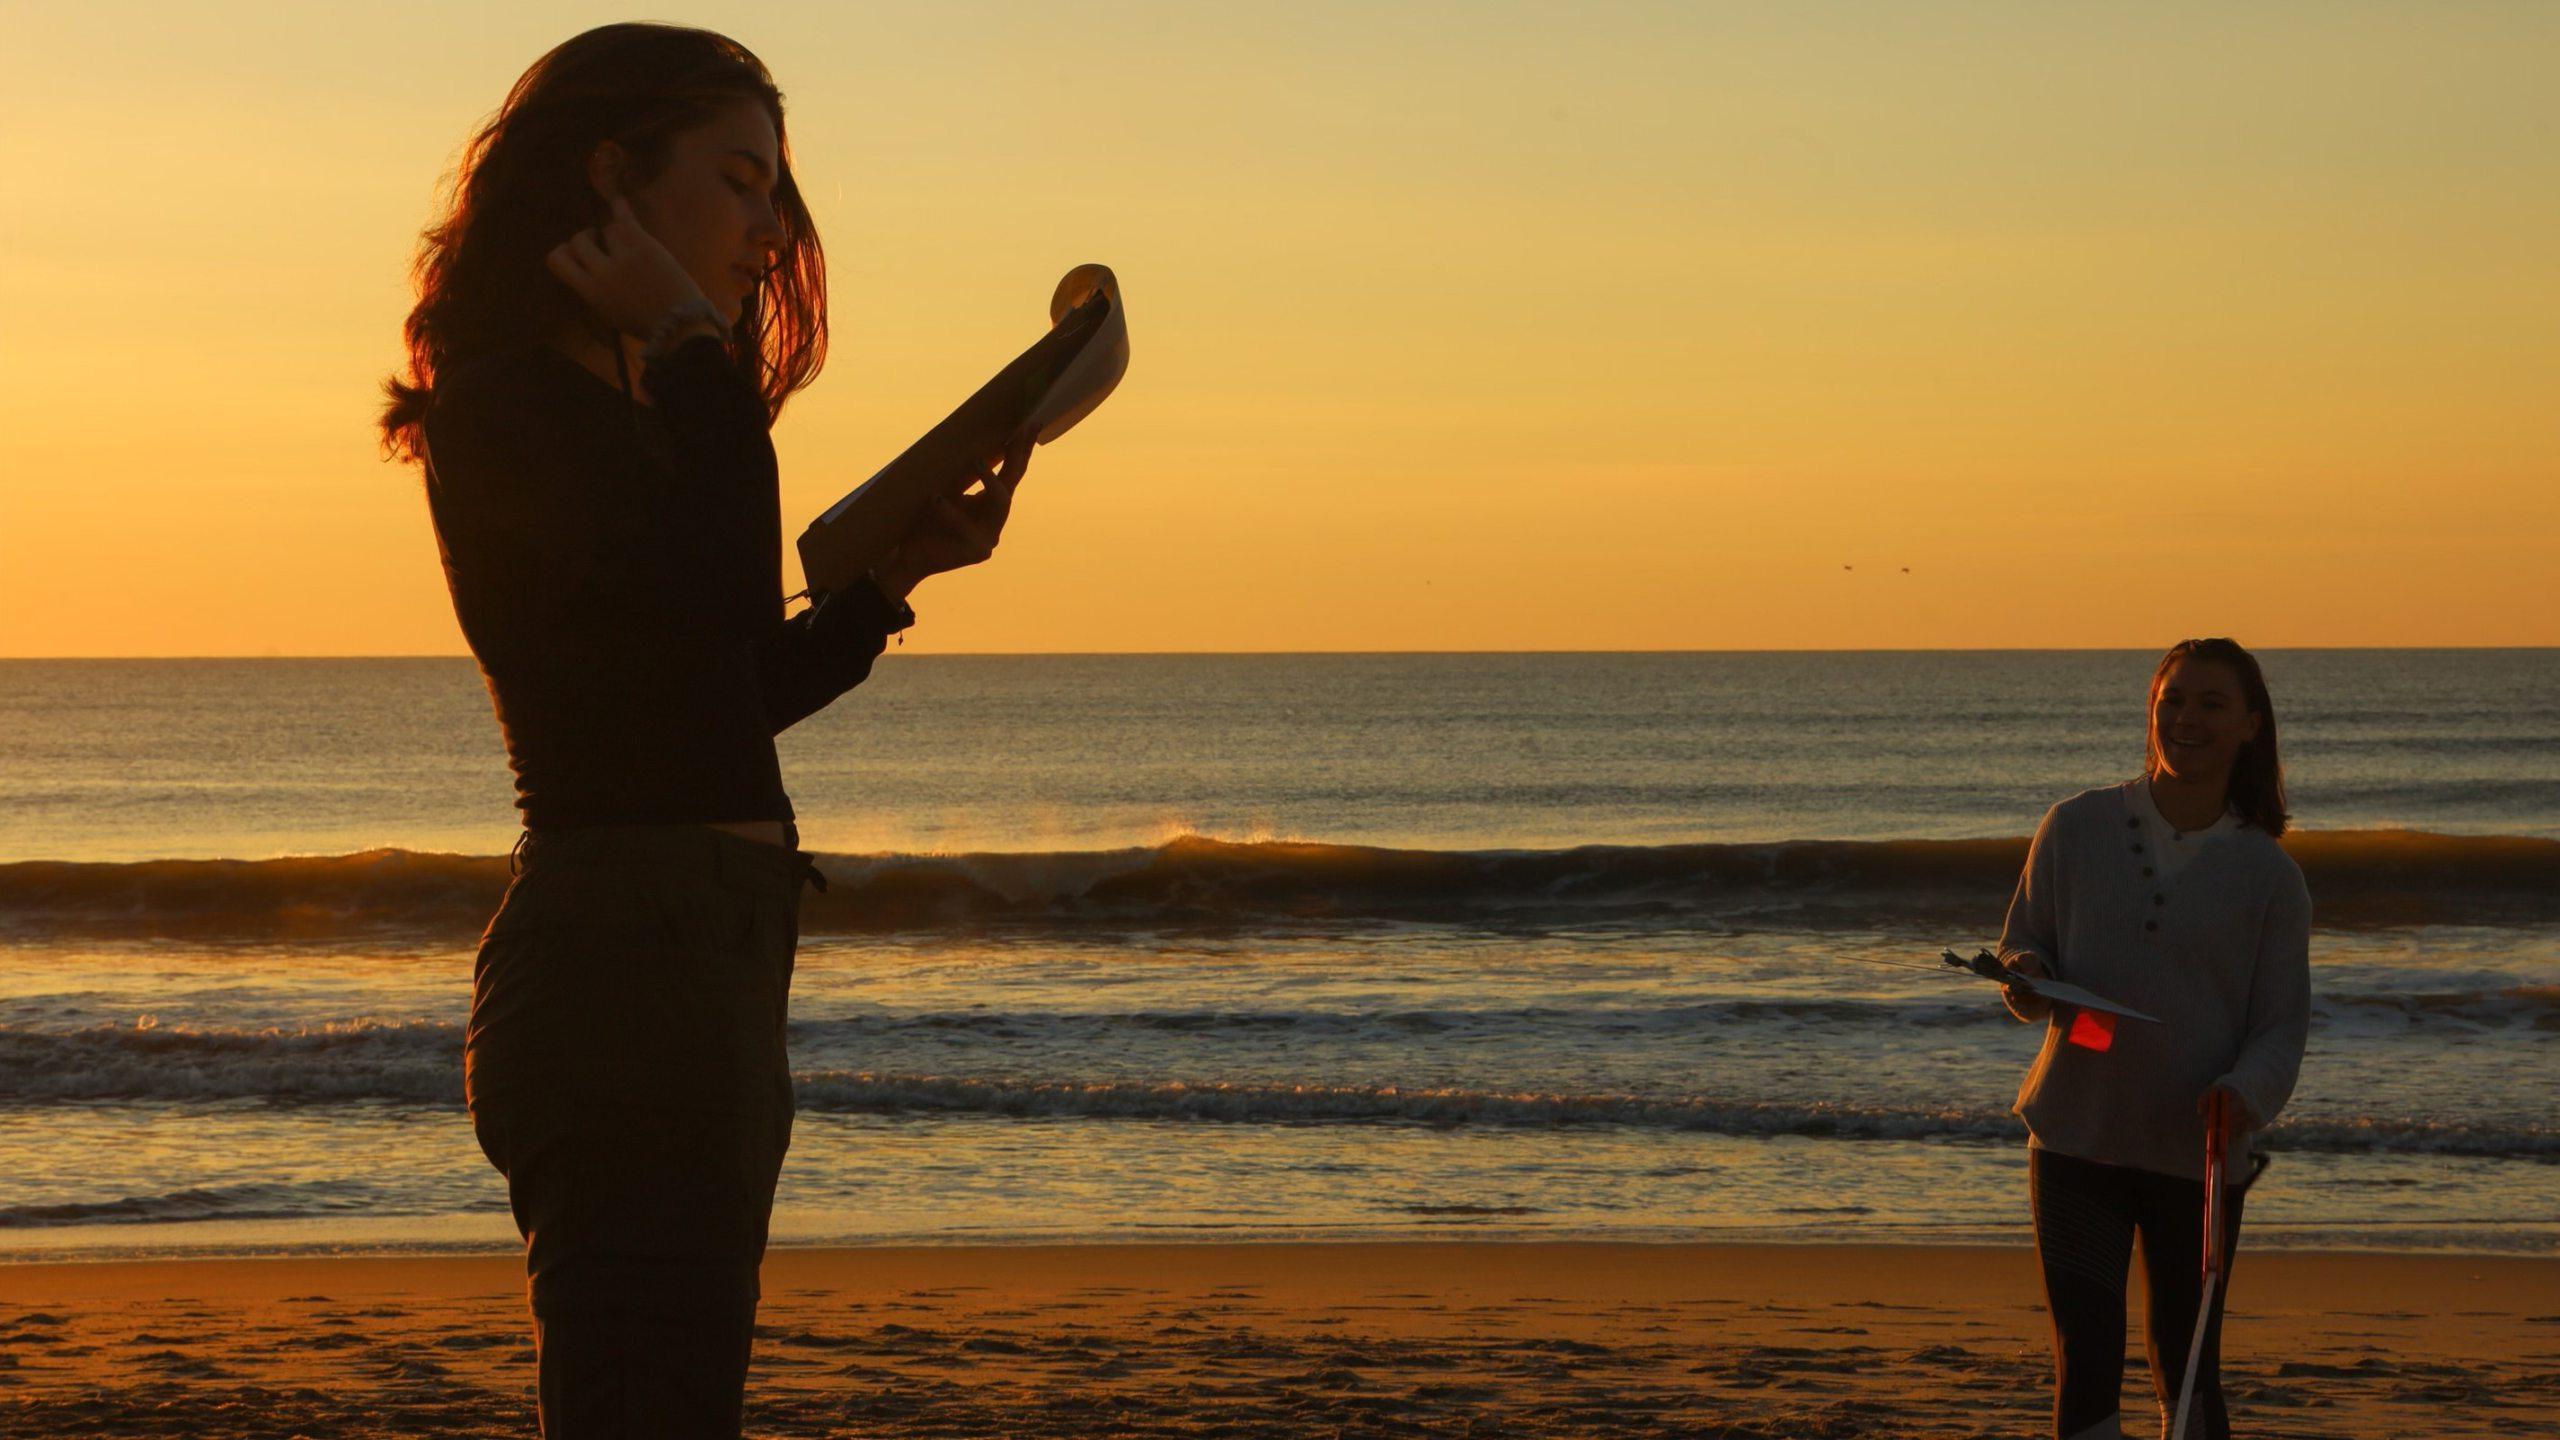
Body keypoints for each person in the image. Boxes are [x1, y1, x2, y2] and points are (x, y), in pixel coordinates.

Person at [378, 23, 1027, 1437]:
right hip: (625, 962)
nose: (765, 228)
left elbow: (716, 691)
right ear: (616, 174)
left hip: (696, 952)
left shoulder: (628, 409)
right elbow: (714, 611)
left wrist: (885, 585)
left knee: (674, 1396)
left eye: (774, 191)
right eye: (738, 181)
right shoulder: (508, 410)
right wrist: (691, 350)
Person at [1994, 638, 2311, 1440]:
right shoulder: (2074, 827)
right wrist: (2024, 976)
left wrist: (2245, 1092)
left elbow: (2281, 1024)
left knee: (2190, 1368)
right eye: (2173, 700)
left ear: (2249, 725)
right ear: (2150, 709)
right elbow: (2024, 956)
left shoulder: (2269, 874)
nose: (2186, 719)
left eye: (2211, 703)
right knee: (2085, 1360)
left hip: (2195, 1155)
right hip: (2076, 1137)